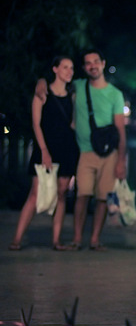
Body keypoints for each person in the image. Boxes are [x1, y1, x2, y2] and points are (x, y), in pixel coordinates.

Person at [37, 50, 127, 250]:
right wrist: (41, 82)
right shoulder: (77, 86)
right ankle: (77, 239)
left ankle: (94, 239)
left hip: (109, 153)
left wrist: (121, 160)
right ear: (85, 68)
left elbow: (120, 129)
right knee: (82, 195)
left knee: (103, 198)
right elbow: (52, 83)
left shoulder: (115, 94)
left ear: (103, 64)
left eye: (96, 61)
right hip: (84, 152)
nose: (92, 65)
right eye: (88, 63)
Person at [11, 56, 80, 251]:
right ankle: (16, 239)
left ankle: (56, 241)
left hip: (67, 148)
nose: (69, 71)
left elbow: (73, 124)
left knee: (61, 194)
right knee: (35, 194)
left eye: (72, 68)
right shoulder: (42, 93)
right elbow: (36, 124)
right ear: (55, 69)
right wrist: (44, 151)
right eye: (65, 67)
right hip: (46, 147)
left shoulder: (72, 96)